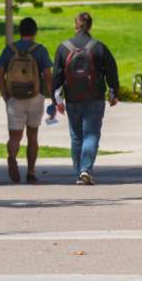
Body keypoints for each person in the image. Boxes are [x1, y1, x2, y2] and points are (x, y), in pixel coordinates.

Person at [52, 12, 121, 185]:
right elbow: (111, 71)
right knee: (91, 134)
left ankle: (78, 172)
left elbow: (57, 76)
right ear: (90, 26)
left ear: (75, 25)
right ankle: (85, 169)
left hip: (72, 98)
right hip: (94, 97)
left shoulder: (63, 47)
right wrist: (113, 93)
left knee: (76, 136)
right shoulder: (98, 47)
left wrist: (57, 101)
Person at [0, 17, 52, 183]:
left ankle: (12, 156)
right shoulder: (40, 50)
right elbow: (47, 75)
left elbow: (0, 74)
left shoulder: (9, 49)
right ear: (35, 32)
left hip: (14, 98)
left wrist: (5, 94)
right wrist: (52, 95)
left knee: (15, 137)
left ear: (20, 32)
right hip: (36, 97)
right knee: (32, 135)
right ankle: (31, 171)